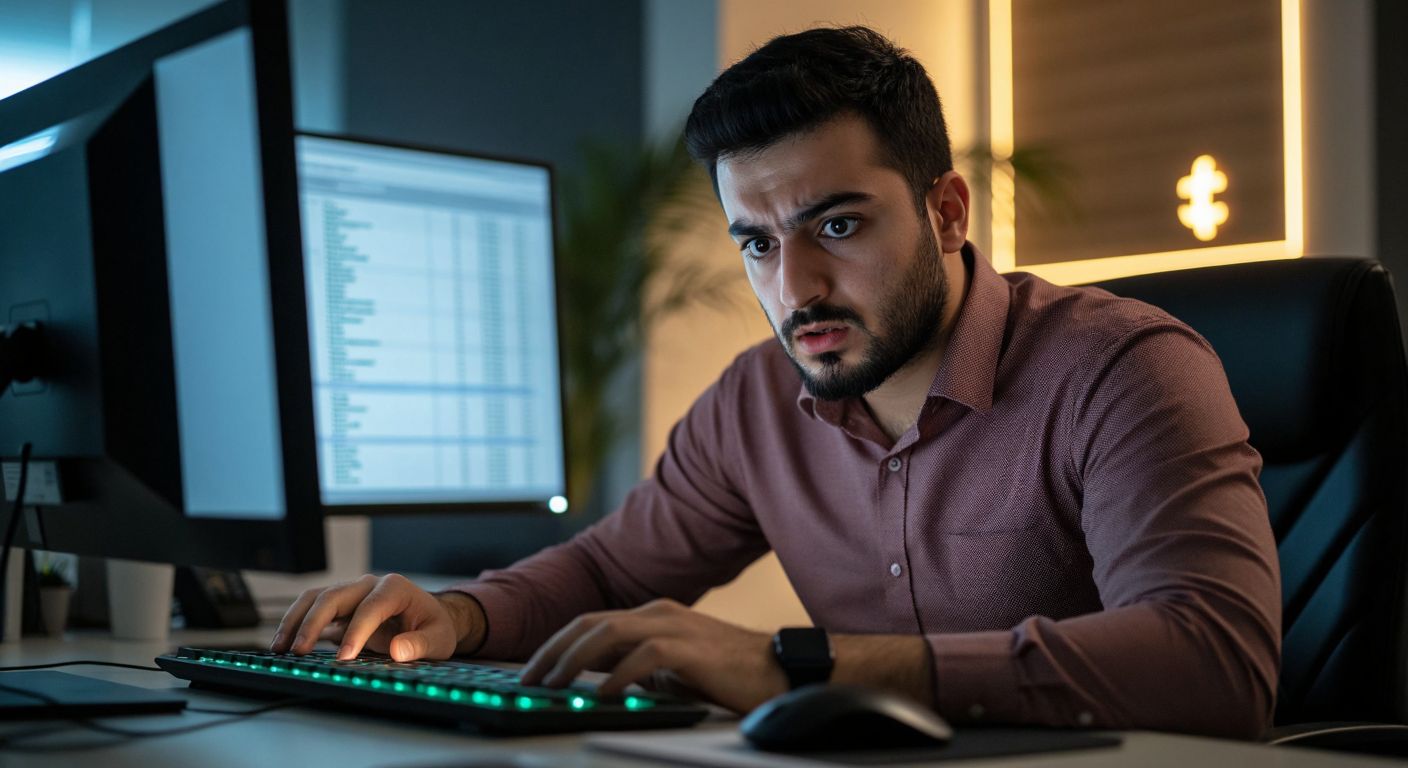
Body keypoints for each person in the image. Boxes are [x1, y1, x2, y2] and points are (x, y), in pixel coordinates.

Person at [272, 26, 1280, 738]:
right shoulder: (752, 403)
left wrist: (800, 665)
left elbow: (1212, 663)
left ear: (946, 212)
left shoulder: (1122, 369)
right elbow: (610, 574)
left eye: (835, 225)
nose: (793, 288)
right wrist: (461, 617)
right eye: (755, 243)